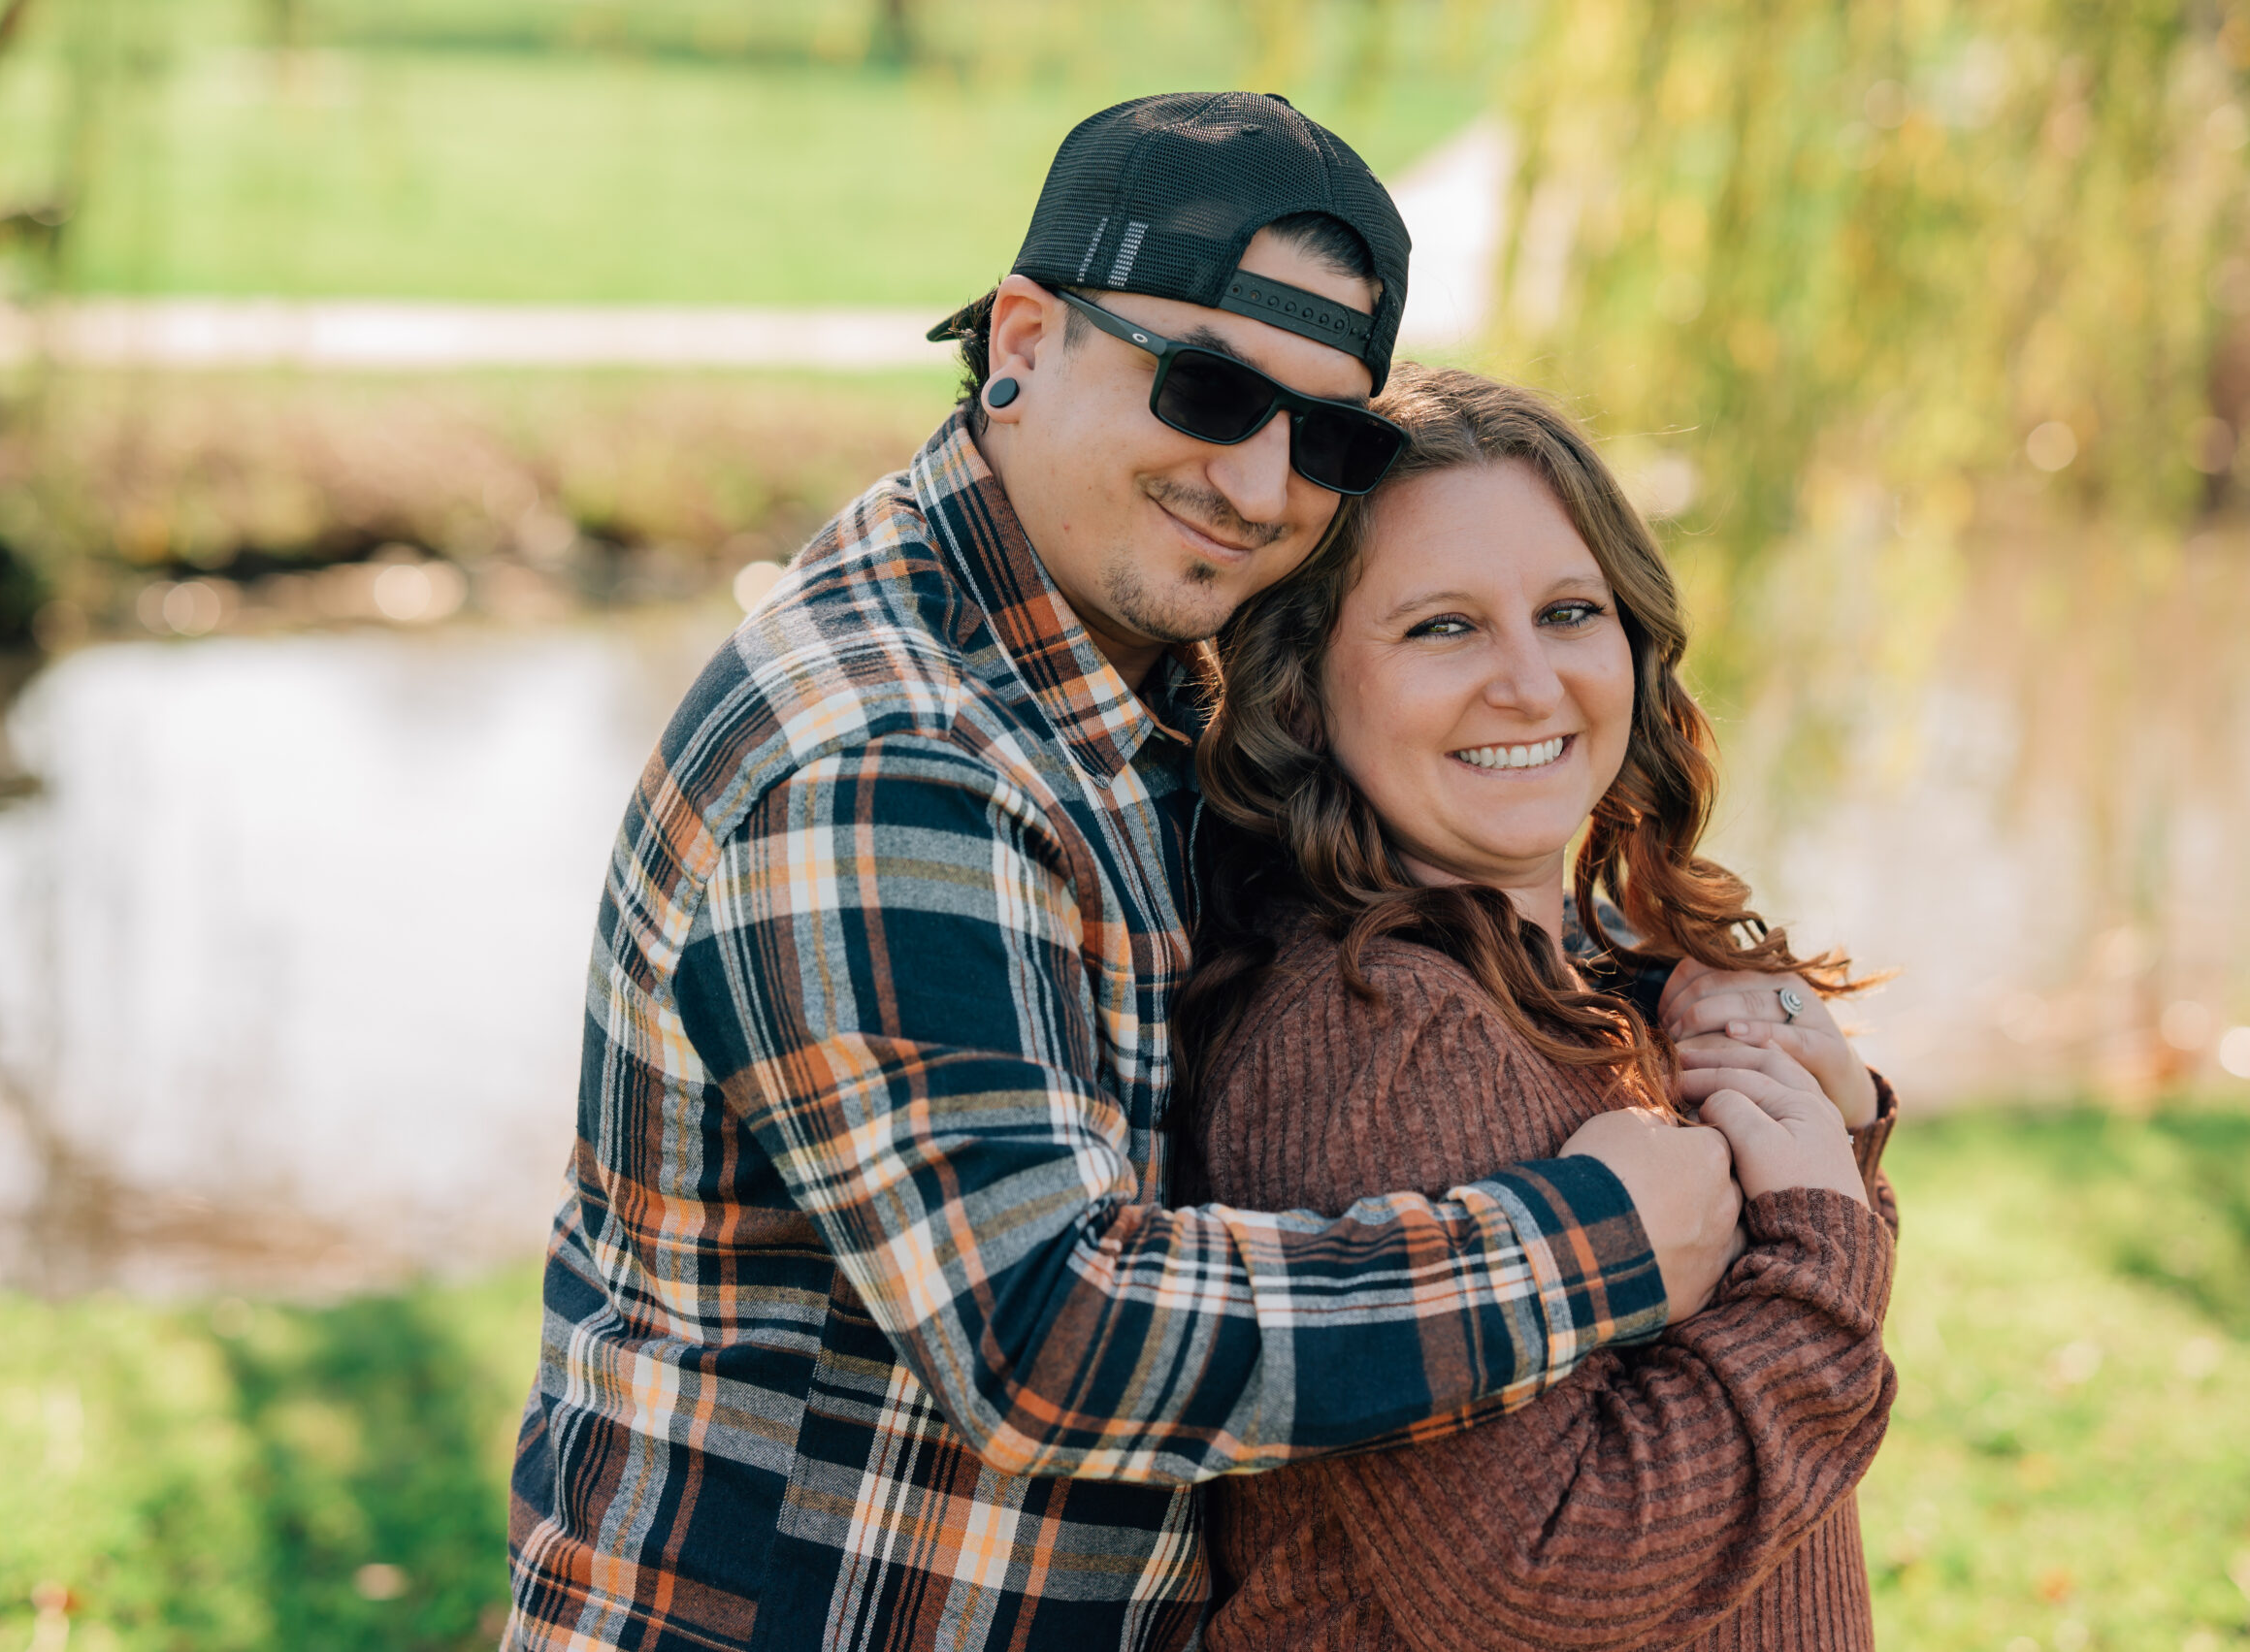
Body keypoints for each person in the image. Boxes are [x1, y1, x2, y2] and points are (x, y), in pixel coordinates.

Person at [503, 93, 1753, 1652]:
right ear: (1023, 340)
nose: (1260, 486)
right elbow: (1048, 1339)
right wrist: (1589, 1242)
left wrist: (1691, 1002)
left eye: (1329, 436)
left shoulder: (1114, 677)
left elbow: (1380, 873)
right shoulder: (888, 761)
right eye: (1209, 389)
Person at [1176, 364, 1901, 1650]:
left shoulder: (1580, 974)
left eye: (1569, 612)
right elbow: (1547, 1577)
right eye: (1441, 628)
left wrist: (1820, 1136)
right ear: (1305, 688)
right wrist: (1823, 1246)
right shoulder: (1382, 1028)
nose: (1528, 682)